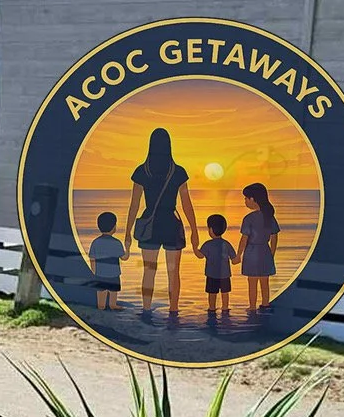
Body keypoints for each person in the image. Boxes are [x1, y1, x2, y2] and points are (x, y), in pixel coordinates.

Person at [126, 127, 198, 321]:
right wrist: (194, 230)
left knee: (149, 270)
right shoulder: (178, 172)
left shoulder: (142, 171)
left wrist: (127, 233)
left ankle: (146, 311)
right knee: (173, 272)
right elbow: (186, 204)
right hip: (172, 224)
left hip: (150, 223)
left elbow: (134, 205)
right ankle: (173, 312)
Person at [239, 182, 280, 318]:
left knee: (252, 282)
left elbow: (244, 239)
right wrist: (272, 253)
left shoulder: (248, 219)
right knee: (264, 281)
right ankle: (265, 304)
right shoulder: (269, 217)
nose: (245, 201)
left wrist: (238, 254)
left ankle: (252, 307)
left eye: (246, 198)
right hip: (265, 251)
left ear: (252, 199)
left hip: (252, 252)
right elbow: (274, 237)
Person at [196, 213, 238, 324]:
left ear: (210, 229)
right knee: (225, 293)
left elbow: (200, 255)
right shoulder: (226, 244)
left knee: (212, 294)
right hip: (225, 275)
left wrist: (195, 248)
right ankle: (225, 309)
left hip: (211, 275)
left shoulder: (207, 244)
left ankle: (212, 309)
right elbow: (234, 259)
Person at [86, 209, 127, 311]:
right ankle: (113, 305)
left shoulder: (95, 242)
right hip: (114, 274)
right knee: (113, 292)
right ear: (114, 227)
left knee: (101, 293)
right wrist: (128, 247)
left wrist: (94, 272)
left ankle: (101, 306)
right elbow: (124, 257)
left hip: (100, 274)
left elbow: (92, 259)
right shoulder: (117, 242)